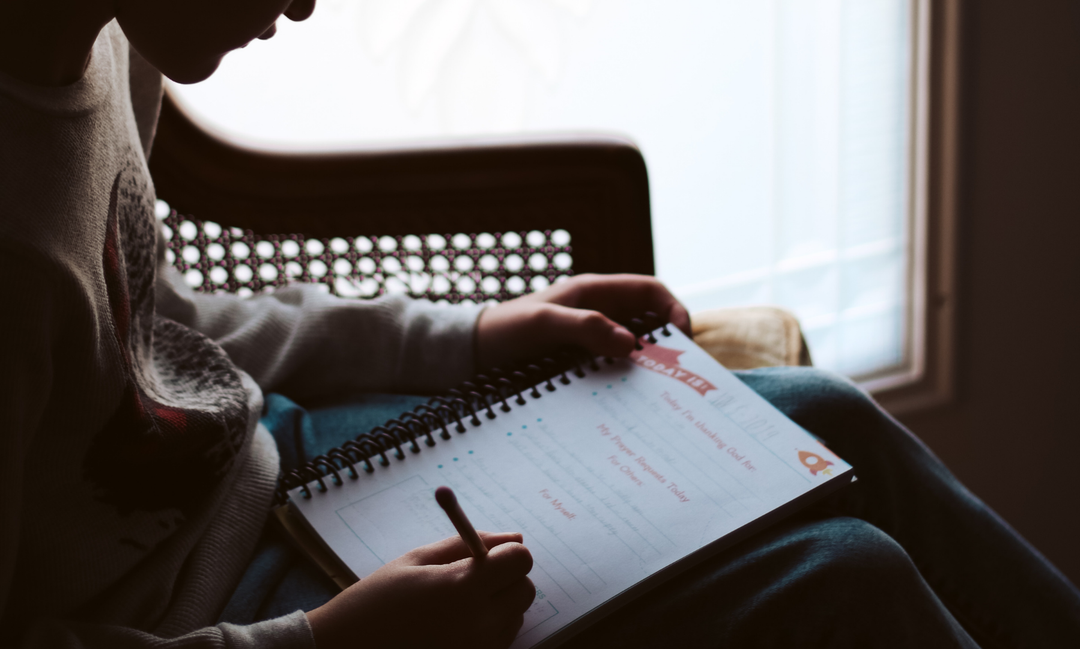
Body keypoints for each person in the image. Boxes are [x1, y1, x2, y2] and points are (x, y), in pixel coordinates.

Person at [0, 1, 1077, 648]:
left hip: (278, 460)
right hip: (229, 606)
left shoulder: (104, 37)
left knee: (829, 419)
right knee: (847, 574)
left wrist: (471, 334)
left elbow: (161, 319)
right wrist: (329, 642)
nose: (308, 5)